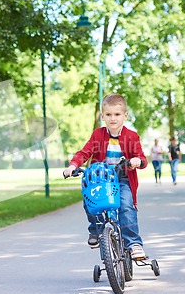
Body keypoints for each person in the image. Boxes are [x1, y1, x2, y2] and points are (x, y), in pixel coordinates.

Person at [63, 93, 148, 260]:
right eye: (108, 115)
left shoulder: (132, 136)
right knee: (91, 201)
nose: (113, 118)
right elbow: (84, 152)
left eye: (117, 114)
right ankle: (95, 229)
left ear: (125, 116)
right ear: (102, 116)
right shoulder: (98, 135)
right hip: (101, 178)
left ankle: (133, 244)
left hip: (122, 178)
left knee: (126, 206)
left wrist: (137, 160)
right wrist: (73, 165)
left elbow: (142, 158)